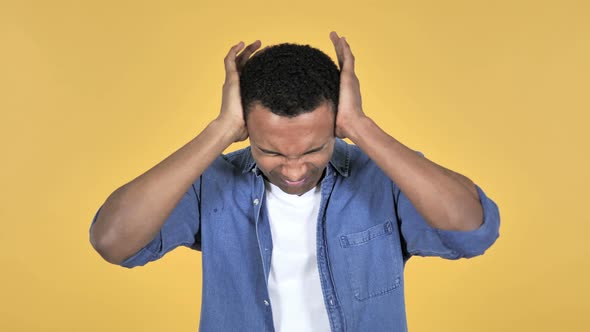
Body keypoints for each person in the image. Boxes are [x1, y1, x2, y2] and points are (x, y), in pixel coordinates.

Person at [89, 31, 500, 332]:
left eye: (312, 150)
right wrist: (218, 131)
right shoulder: (212, 184)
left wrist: (361, 126)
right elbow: (113, 241)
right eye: (272, 152)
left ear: (335, 127)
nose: (294, 170)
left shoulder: (382, 179)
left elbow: (472, 230)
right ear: (246, 128)